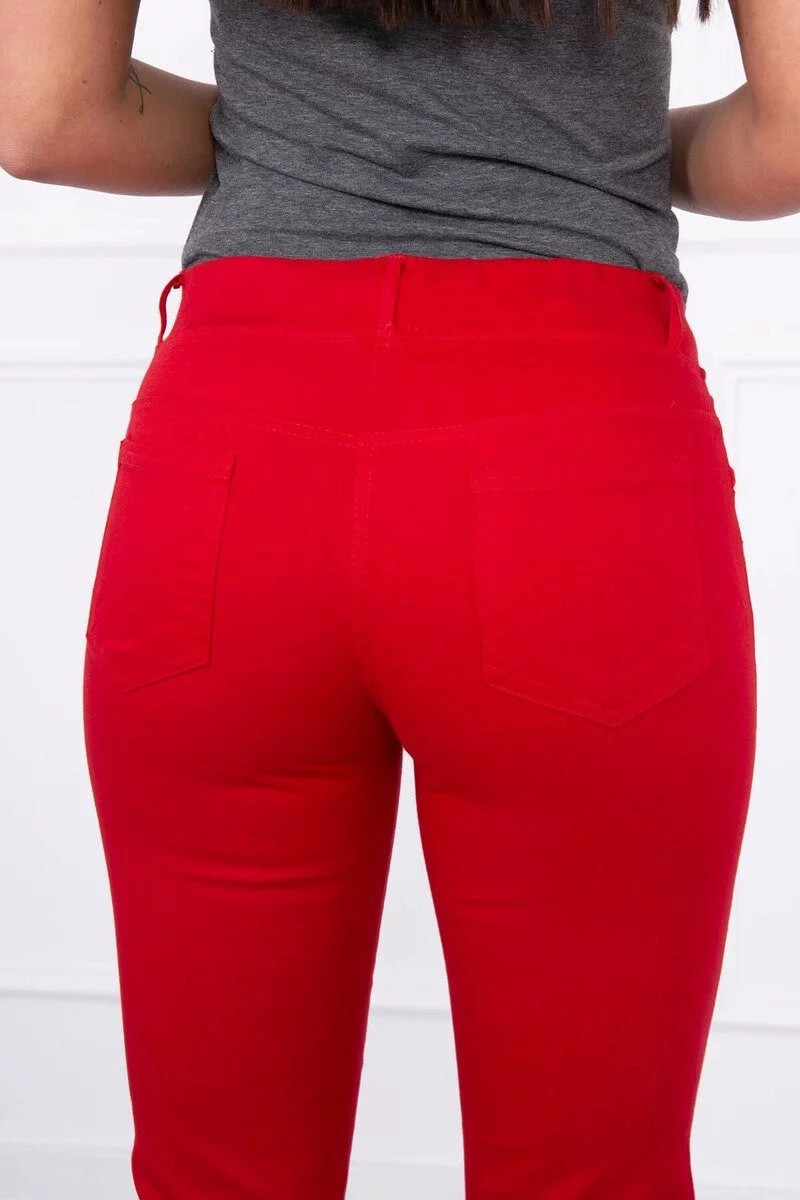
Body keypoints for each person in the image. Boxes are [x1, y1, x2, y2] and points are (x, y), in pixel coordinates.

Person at [2, 0, 789, 1195]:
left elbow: (47, 116)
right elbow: (789, 138)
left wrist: (285, 136)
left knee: (218, 1175)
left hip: (237, 460)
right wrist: (600, 152)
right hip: (572, 449)